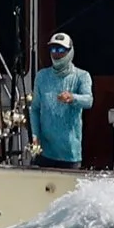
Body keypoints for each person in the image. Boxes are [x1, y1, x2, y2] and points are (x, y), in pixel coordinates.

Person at [29, 32, 91, 167]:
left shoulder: (82, 76)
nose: (56, 54)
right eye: (53, 49)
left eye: (61, 50)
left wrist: (72, 97)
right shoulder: (41, 76)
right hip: (45, 152)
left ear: (70, 51)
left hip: (70, 154)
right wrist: (35, 135)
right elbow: (34, 109)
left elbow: (88, 100)